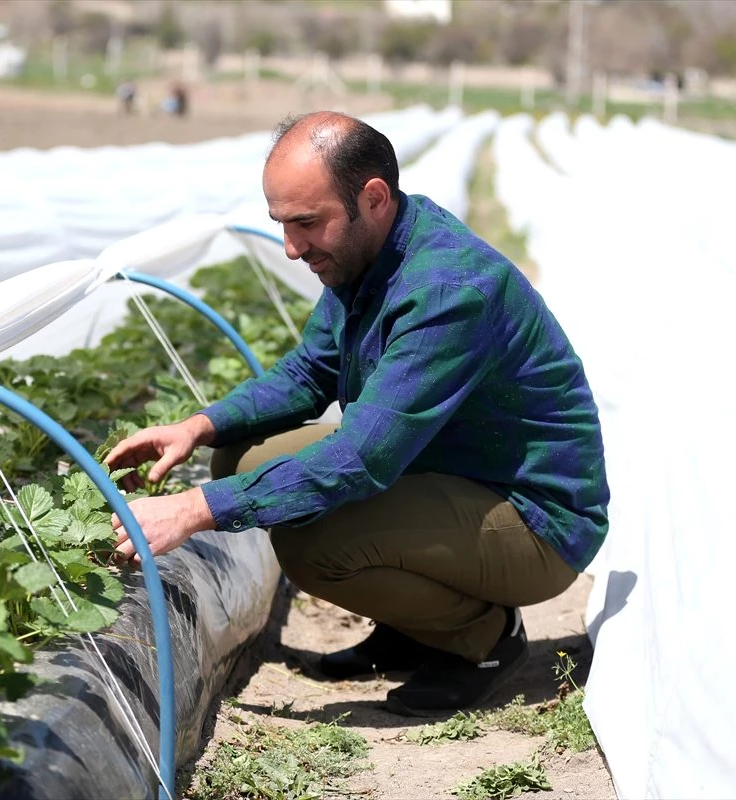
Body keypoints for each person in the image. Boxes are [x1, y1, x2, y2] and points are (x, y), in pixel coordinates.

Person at [104, 111, 609, 716]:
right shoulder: (369, 251)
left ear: (372, 198)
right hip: (449, 473)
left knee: (315, 541)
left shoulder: (446, 291)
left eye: (307, 224)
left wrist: (192, 511)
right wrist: (196, 427)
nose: (292, 248)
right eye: (283, 225)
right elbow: (310, 372)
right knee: (240, 455)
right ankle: (414, 626)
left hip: (536, 522)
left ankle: (483, 640)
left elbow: (364, 458)